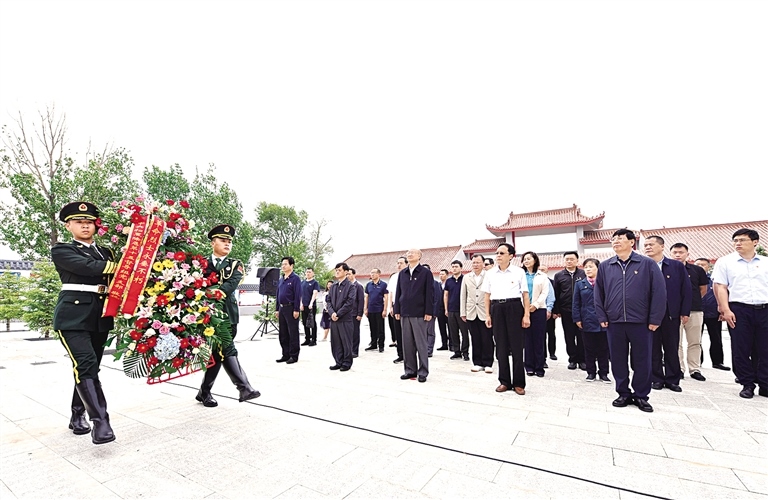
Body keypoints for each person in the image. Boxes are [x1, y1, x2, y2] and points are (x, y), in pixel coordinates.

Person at [52, 201, 119, 444]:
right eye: (79, 222)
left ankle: (77, 414)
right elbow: (86, 267)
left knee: (89, 367)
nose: (85, 226)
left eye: (89, 222)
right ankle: (101, 423)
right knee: (86, 363)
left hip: (100, 316)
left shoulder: (106, 252)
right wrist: (120, 267)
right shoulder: (62, 250)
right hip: (72, 316)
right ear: (68, 225)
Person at [594, 229, 667, 413]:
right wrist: (602, 316)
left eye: (620, 238)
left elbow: (659, 292)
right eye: (613, 239)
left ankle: (641, 395)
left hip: (641, 321)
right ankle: (623, 392)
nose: (616, 241)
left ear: (632, 242)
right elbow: (598, 293)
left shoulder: (647, 264)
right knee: (617, 359)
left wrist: (655, 318)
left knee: (642, 360)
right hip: (614, 321)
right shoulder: (605, 266)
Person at [196, 224, 260, 408]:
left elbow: (231, 284)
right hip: (206, 315)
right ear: (212, 243)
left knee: (218, 353)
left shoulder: (235, 264)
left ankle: (204, 392)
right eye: (223, 240)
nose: (227, 244)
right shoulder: (200, 263)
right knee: (225, 349)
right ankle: (244, 387)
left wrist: (210, 291)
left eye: (229, 241)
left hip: (228, 315)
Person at [712, 228, 768, 399]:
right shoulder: (725, 262)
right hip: (739, 309)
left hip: (765, 308)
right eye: (735, 240)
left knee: (765, 348)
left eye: (742, 240)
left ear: (755, 242)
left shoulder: (765, 262)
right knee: (740, 347)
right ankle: (747, 383)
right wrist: (725, 309)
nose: (738, 243)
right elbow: (720, 286)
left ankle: (765, 384)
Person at [644, 235, 691, 393]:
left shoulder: (676, 266)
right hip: (649, 314)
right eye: (646, 245)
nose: (648, 247)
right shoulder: (643, 265)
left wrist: (684, 311)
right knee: (653, 348)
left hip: (671, 313)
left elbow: (686, 289)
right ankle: (656, 378)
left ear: (662, 246)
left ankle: (673, 379)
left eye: (651, 244)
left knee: (672, 347)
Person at [482, 243, 531, 395]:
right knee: (501, 347)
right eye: (497, 253)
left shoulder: (519, 272)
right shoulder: (490, 273)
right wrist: (487, 315)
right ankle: (504, 381)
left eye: (502, 253)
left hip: (514, 307)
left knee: (517, 347)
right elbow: (487, 296)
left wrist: (526, 315)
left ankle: (519, 383)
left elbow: (525, 295)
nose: (498, 255)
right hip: (497, 308)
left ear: (511, 256)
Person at [394, 248, 434, 383]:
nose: (409, 254)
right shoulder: (402, 273)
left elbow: (429, 293)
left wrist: (429, 311)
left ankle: (423, 371)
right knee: (407, 344)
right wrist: (397, 310)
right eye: (408, 253)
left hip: (420, 313)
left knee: (421, 344)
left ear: (419, 256)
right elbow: (398, 292)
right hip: (405, 312)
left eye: (412, 253)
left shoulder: (425, 273)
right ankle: (410, 370)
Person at [670, 243, 709, 381]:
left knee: (695, 341)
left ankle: (694, 369)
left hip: (695, 310)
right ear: (670, 254)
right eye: (675, 252)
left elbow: (703, 290)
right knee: (676, 342)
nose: (678, 255)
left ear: (687, 254)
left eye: (681, 252)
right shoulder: (667, 269)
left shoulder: (697, 270)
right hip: (673, 311)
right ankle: (679, 368)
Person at [572, 258, 610, 383]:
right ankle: (591, 372)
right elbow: (576, 303)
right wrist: (577, 318)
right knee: (589, 349)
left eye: (591, 266)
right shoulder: (580, 284)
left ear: (598, 268)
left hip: (603, 320)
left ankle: (604, 373)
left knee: (604, 349)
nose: (588, 269)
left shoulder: (605, 283)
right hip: (587, 320)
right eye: (586, 267)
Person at [553, 251, 587, 371]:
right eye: (567, 259)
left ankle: (582, 360)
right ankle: (572, 359)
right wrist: (556, 310)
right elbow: (556, 293)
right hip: (566, 310)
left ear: (577, 261)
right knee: (569, 336)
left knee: (582, 336)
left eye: (572, 259)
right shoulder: (559, 275)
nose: (569, 261)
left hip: (582, 310)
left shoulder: (583, 273)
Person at [461, 254, 494, 373]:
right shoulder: (467, 277)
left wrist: (491, 312)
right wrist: (463, 312)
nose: (475, 265)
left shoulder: (489, 276)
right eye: (473, 262)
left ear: (483, 263)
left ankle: (488, 363)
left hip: (485, 312)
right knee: (475, 338)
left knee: (487, 338)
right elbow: (463, 295)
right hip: (471, 311)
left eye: (478, 262)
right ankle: (477, 362)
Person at [696, 258, 730, 371]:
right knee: (696, 340)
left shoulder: (715, 280)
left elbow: (722, 294)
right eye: (698, 264)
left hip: (714, 313)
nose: (700, 267)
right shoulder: (692, 278)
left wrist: (723, 311)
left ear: (709, 267)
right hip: (697, 312)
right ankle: (697, 362)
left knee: (716, 338)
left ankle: (718, 362)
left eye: (703, 265)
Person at [521, 251, 549, 378]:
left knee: (539, 339)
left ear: (535, 260)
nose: (526, 261)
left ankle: (539, 367)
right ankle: (529, 367)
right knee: (527, 339)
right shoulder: (521, 275)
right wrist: (525, 307)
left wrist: (536, 305)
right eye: (524, 259)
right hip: (523, 310)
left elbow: (545, 293)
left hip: (539, 310)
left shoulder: (542, 276)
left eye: (529, 259)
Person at [327, 263, 355, 371]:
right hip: (334, 319)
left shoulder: (350, 286)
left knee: (346, 342)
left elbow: (349, 302)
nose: (337, 272)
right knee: (336, 342)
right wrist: (332, 313)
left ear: (346, 272)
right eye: (336, 270)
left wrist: (338, 314)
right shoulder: (333, 286)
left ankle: (346, 363)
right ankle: (338, 361)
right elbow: (328, 301)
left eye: (339, 270)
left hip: (345, 319)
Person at [275, 256, 302, 364]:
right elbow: (278, 295)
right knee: (283, 333)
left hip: (291, 308)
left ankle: (294, 355)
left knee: (292, 333)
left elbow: (297, 295)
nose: (283, 266)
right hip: (282, 308)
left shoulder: (295, 278)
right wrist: (277, 309)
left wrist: (296, 309)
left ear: (291, 265)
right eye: (282, 264)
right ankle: (285, 354)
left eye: (285, 264)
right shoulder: (281, 279)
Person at [445, 260, 470, 361]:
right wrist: (446, 309)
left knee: (464, 333)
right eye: (453, 267)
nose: (454, 268)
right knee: (453, 332)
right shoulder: (449, 281)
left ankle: (465, 352)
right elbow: (446, 295)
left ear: (461, 268)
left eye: (456, 266)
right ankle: (457, 352)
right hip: (451, 310)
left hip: (462, 310)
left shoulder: (465, 279)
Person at [387, 256, 407, 363]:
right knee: (398, 331)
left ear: (406, 264)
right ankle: (400, 354)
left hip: (407, 306)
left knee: (407, 332)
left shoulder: (409, 275)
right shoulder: (394, 277)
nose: (399, 265)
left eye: (401, 263)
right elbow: (390, 293)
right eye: (398, 263)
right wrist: (390, 307)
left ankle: (409, 355)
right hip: (396, 306)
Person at [364, 268, 389, 352]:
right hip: (371, 309)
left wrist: (385, 310)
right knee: (372, 327)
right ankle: (373, 344)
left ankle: (381, 345)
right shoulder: (368, 285)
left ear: (378, 274)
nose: (372, 274)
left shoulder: (383, 285)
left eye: (374, 273)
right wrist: (365, 308)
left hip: (379, 309)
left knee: (380, 328)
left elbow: (386, 298)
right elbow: (366, 297)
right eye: (371, 273)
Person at [421, 263, 441, 357]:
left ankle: (429, 350)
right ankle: (422, 349)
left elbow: (437, 298)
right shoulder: (418, 283)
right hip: (419, 312)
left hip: (430, 312)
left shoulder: (435, 283)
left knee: (430, 332)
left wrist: (434, 312)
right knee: (421, 332)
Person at [540, 265, 558, 362]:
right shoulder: (536, 281)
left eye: (543, 270)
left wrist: (555, 311)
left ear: (547, 271)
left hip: (550, 312)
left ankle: (552, 352)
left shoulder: (552, 282)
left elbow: (556, 297)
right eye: (540, 269)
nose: (541, 271)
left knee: (551, 333)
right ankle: (543, 356)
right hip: (539, 310)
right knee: (541, 335)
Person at [300, 268, 320, 347]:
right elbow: (300, 294)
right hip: (303, 305)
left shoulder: (315, 283)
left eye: (309, 272)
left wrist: (311, 303)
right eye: (307, 272)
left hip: (311, 306)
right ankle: (307, 339)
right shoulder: (302, 283)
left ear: (313, 273)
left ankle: (314, 340)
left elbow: (315, 293)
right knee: (305, 322)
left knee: (312, 322)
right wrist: (301, 304)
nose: (308, 273)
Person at [347, 268, 365, 357]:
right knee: (348, 333)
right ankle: (348, 350)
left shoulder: (358, 286)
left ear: (354, 275)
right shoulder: (347, 285)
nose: (348, 276)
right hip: (347, 313)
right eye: (347, 274)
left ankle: (355, 351)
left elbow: (361, 300)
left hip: (355, 313)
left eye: (349, 274)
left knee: (355, 333)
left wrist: (359, 313)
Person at [436, 269, 450, 351]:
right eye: (440, 274)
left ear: (447, 275)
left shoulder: (449, 284)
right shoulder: (438, 285)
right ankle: (444, 344)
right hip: (440, 309)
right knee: (442, 327)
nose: (441, 276)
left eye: (443, 274)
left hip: (448, 308)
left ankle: (452, 344)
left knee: (450, 327)